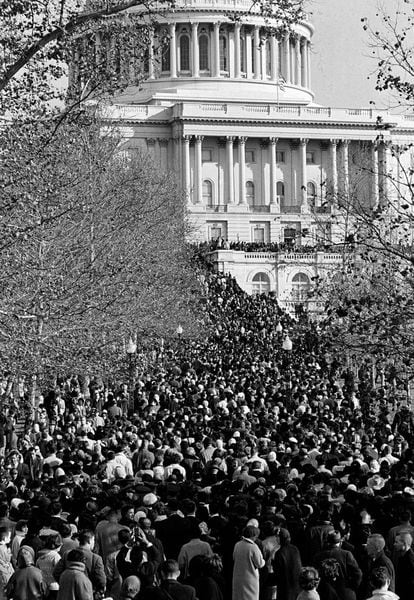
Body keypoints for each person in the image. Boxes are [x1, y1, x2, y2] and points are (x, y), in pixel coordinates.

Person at [232, 525, 265, 600]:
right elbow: (259, 564)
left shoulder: (237, 544)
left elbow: (234, 557)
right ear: (253, 536)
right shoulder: (253, 547)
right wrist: (264, 561)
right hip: (250, 579)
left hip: (238, 577)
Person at [273, 528, 302, 600]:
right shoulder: (295, 549)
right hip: (296, 585)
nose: (276, 539)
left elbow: (277, 572)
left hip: (284, 586)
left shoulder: (279, 553)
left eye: (277, 537)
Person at [393, 531, 414, 600]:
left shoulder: (410, 560)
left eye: (396, 542)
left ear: (404, 543)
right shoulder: (403, 556)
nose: (394, 544)